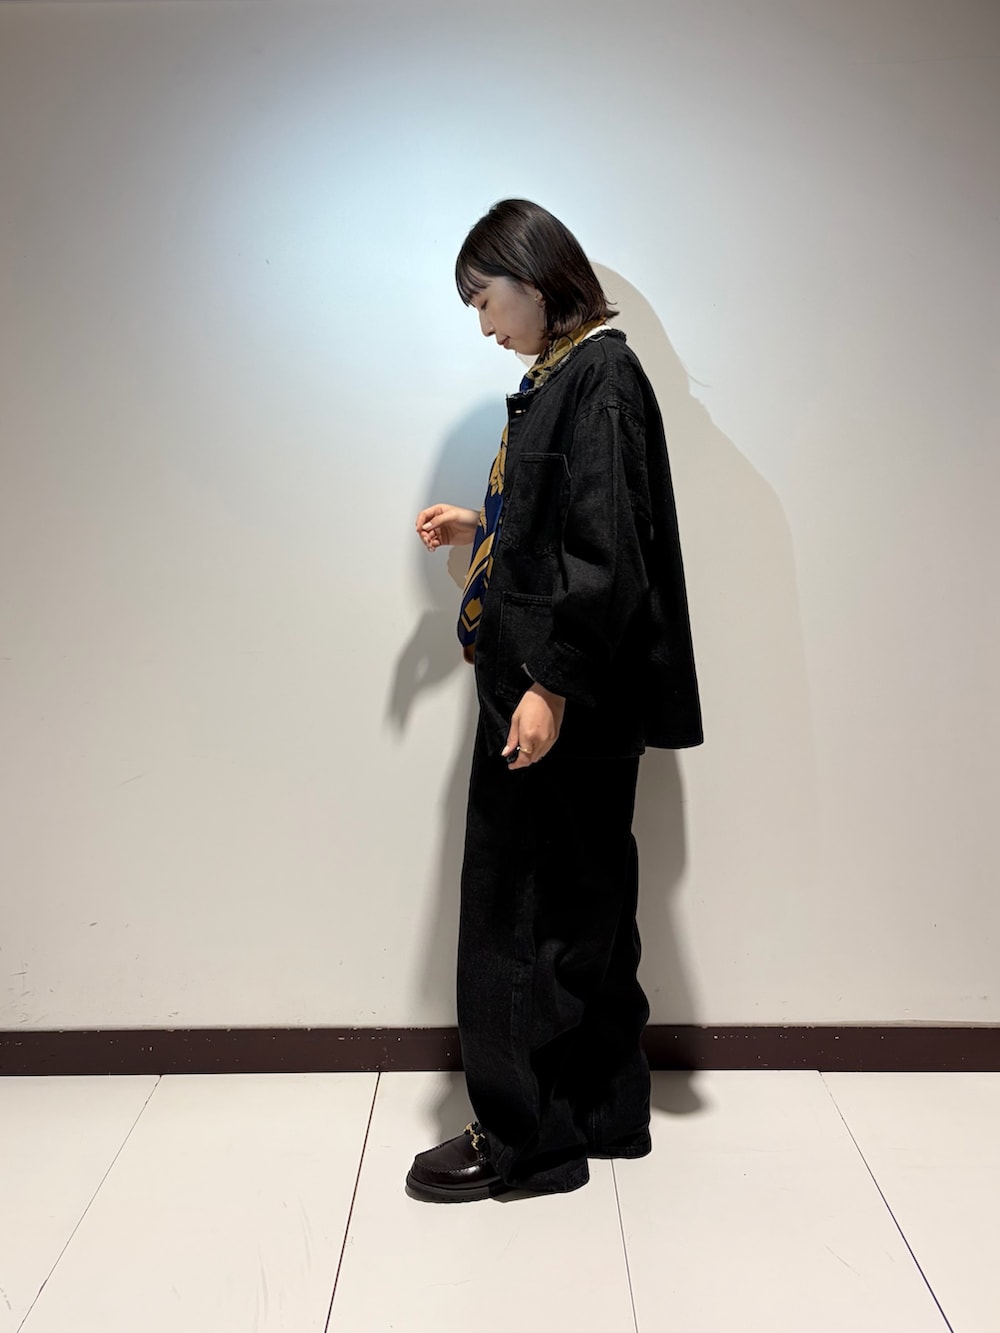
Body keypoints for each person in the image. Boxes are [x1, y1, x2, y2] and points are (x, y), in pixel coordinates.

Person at [406, 199, 702, 1202]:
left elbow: (608, 552)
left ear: (532, 279)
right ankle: (604, 1113)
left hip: (556, 698)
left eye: (484, 298)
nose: (483, 323)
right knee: (582, 910)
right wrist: (482, 525)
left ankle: (521, 1138)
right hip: (576, 694)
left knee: (521, 913)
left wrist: (548, 682)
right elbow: (570, 520)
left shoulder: (597, 376)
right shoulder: (572, 376)